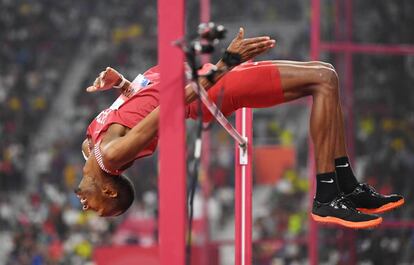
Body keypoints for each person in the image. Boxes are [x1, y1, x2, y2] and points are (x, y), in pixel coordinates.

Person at [75, 28, 404, 229]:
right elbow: (170, 104)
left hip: (191, 79)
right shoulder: (113, 154)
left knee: (326, 76)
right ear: (109, 189)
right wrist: (224, 64)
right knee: (324, 79)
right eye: (101, 211)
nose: (87, 209)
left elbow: (139, 106)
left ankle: (346, 186)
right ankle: (329, 194)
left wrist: (122, 84)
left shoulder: (90, 147)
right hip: (209, 88)